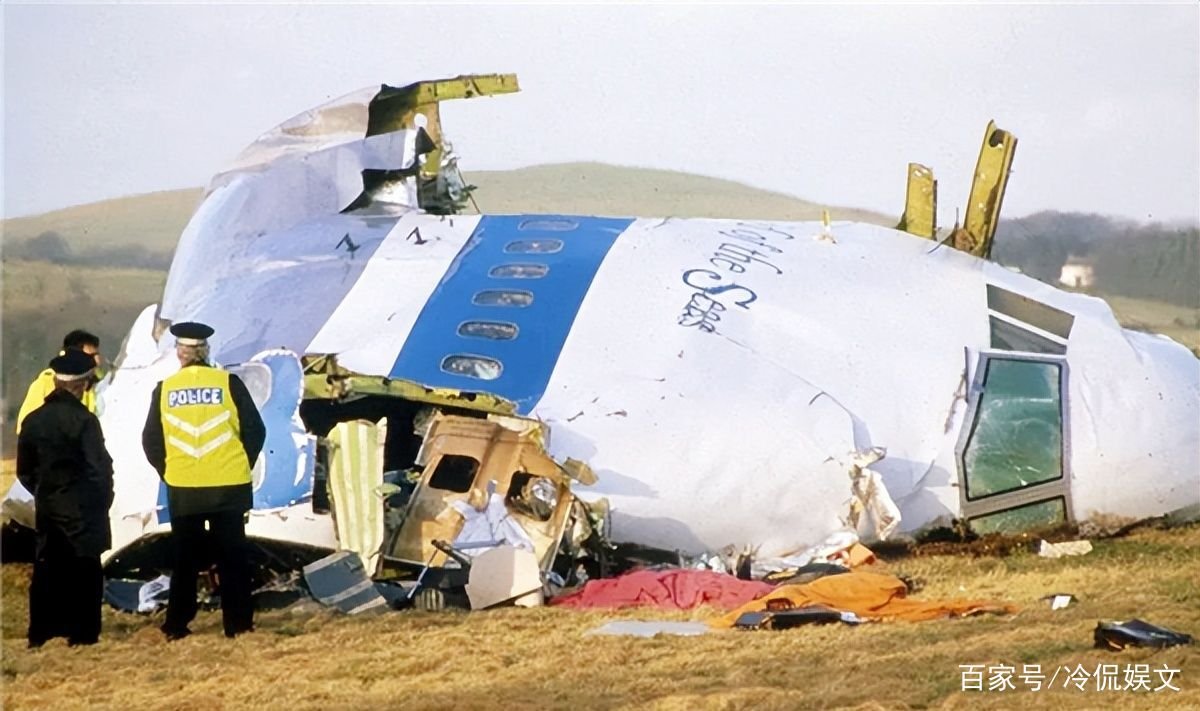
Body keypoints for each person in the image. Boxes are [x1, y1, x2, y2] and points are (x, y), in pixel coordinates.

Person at [141, 322, 265, 640]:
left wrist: (168, 471)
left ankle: (177, 624)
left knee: (185, 560)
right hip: (228, 486)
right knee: (232, 557)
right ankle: (238, 624)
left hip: (184, 489)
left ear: (180, 354)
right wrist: (242, 465)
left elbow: (151, 440)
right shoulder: (229, 383)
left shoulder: (165, 389)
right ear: (205, 352)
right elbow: (255, 431)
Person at [17, 349, 115, 648]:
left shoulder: (33, 421)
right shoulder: (84, 421)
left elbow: (24, 472)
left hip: (48, 506)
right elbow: (98, 468)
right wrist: (101, 501)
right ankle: (82, 634)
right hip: (82, 508)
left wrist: (46, 493)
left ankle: (41, 632)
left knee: (47, 570)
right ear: (81, 385)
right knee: (85, 571)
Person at [16, 330, 104, 434]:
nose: (98, 360)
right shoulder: (45, 384)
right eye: (91, 355)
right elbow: (25, 427)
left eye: (97, 354)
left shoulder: (97, 382)